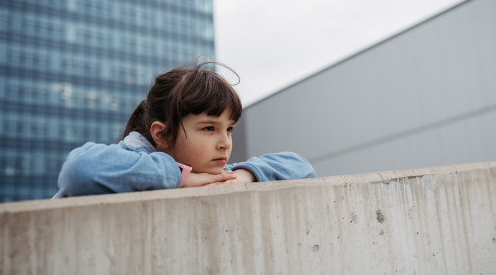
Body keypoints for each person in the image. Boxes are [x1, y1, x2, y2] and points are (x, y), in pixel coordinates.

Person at [55, 61, 315, 198]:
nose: (225, 142)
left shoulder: (208, 170)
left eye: (230, 129)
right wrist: (181, 179)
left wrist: (242, 176)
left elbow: (302, 167)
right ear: (162, 135)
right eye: (209, 128)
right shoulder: (134, 161)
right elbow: (79, 170)